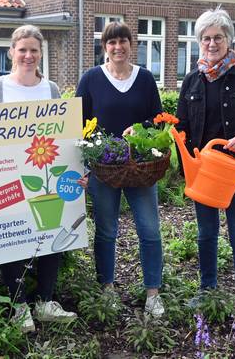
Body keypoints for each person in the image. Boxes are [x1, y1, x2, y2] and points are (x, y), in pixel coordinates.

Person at [0, 24, 77, 333]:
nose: (28, 55)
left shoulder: (52, 89)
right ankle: (19, 307)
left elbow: (64, 136)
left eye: (33, 50)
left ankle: (45, 302)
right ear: (11, 52)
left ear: (40, 53)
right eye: (23, 50)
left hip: (43, 171)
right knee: (11, 237)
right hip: (7, 175)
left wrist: (74, 171)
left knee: (50, 231)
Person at [176, 6, 235, 334]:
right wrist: (186, 166)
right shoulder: (191, 80)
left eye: (218, 37)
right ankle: (207, 290)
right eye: (206, 38)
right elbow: (182, 128)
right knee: (206, 234)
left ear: (229, 40)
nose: (212, 43)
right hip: (205, 173)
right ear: (199, 42)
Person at [75, 21, 165, 317]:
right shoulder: (90, 80)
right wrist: (84, 164)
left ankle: (153, 292)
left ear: (131, 44)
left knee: (150, 230)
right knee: (106, 231)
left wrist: (139, 131)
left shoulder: (145, 79)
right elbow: (77, 124)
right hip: (104, 170)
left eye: (123, 41)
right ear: (105, 47)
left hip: (140, 168)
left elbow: (157, 121)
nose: (117, 47)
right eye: (111, 42)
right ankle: (108, 288)